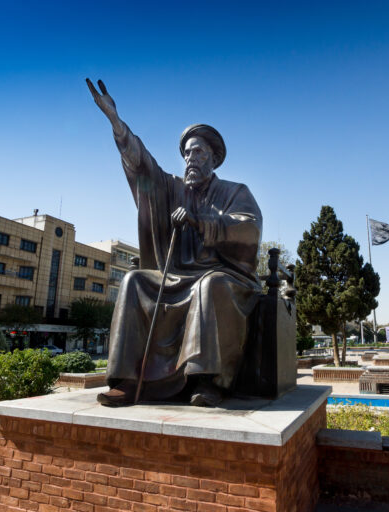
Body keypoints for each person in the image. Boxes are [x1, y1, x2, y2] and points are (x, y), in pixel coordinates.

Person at [87, 79, 262, 407]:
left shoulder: (235, 192)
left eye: (198, 152)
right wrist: (117, 123)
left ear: (213, 158)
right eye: (187, 153)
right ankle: (128, 380)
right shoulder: (173, 188)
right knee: (133, 280)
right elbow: (143, 165)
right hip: (176, 276)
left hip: (225, 276)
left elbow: (249, 228)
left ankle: (206, 381)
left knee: (209, 286)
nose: (190, 158)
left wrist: (201, 221)